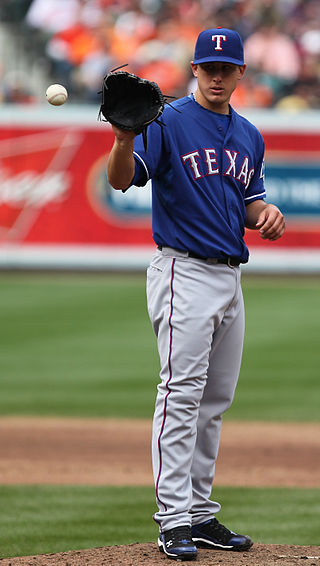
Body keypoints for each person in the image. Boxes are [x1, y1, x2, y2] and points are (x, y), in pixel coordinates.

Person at [107, 27, 285, 562]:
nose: (216, 76)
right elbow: (121, 182)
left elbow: (248, 202)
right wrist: (120, 139)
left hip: (230, 277)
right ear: (193, 69)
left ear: (240, 74)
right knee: (181, 395)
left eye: (226, 68)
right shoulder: (168, 121)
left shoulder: (250, 134)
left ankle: (200, 513)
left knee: (214, 401)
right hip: (183, 270)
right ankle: (172, 519)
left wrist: (265, 214)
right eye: (208, 67)